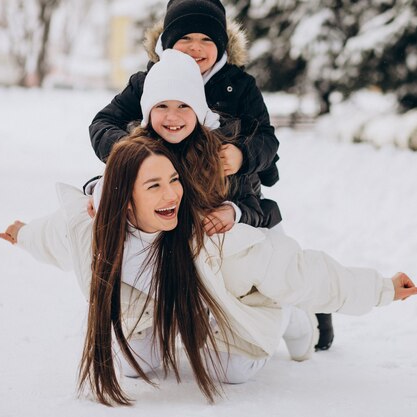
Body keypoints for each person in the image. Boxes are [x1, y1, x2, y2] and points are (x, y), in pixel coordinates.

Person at [0, 134, 417, 406]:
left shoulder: (211, 239)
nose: (173, 194)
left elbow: (299, 270)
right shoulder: (92, 233)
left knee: (232, 372)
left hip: (244, 306)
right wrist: (22, 234)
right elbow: (53, 237)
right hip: (156, 314)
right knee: (132, 364)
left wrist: (381, 288)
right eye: (154, 186)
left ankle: (295, 317)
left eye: (173, 179)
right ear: (124, 200)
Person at [88, 0, 336, 351]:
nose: (195, 47)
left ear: (222, 45)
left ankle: (306, 311)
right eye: (185, 37)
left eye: (206, 39)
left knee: (279, 267)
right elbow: (103, 123)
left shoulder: (239, 86)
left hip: (239, 201)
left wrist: (243, 153)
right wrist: (132, 157)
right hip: (175, 204)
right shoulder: (149, 82)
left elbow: (268, 138)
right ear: (166, 42)